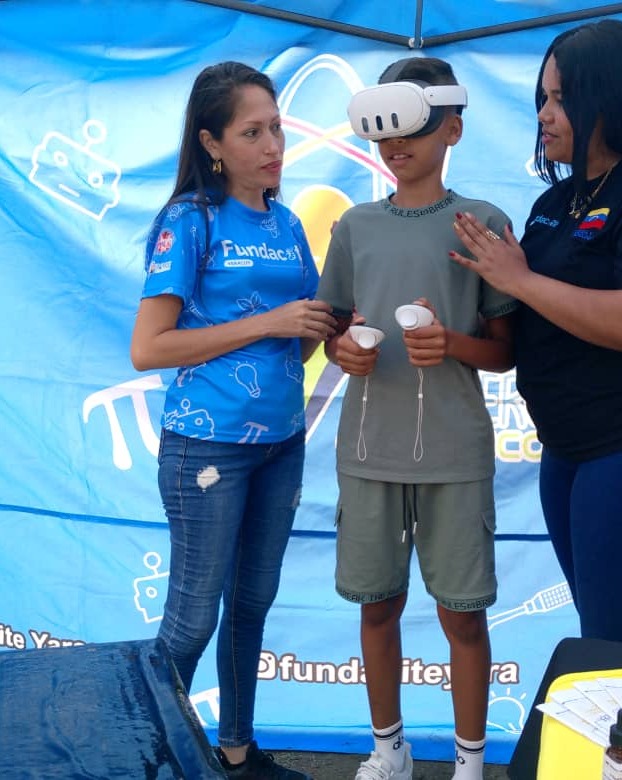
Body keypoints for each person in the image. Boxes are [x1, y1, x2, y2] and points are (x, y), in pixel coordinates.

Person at [451, 19, 622, 647]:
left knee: (614, 637)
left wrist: (520, 281)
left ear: (612, 95)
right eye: (542, 97)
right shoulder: (553, 204)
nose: (545, 114)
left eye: (562, 98)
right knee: (603, 630)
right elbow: (524, 325)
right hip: (568, 448)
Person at [130, 61, 336, 780]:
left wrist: (332, 327)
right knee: (191, 622)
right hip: (205, 448)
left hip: (282, 442)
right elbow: (147, 347)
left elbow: (299, 337)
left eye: (277, 126)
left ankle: (237, 755)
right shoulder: (189, 221)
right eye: (253, 131)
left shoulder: (284, 221)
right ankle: (151, 759)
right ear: (212, 142)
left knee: (251, 606)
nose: (274, 143)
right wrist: (270, 322)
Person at [316, 56, 518, 780]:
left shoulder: (484, 224)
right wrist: (342, 347)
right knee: (376, 607)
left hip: (454, 456)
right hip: (368, 451)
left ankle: (469, 762)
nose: (395, 147)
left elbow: (503, 352)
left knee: (463, 615)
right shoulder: (354, 228)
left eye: (414, 130)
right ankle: (388, 750)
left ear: (453, 128)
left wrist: (451, 343)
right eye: (384, 135)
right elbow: (332, 329)